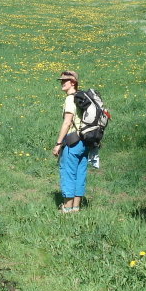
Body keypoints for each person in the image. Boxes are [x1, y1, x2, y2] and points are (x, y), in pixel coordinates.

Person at [52, 70, 91, 213]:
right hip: (85, 141)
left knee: (68, 173)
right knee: (80, 173)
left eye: (65, 81)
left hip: (72, 141)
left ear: (73, 82)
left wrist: (58, 144)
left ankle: (67, 208)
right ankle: (76, 207)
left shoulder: (70, 99)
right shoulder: (82, 97)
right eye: (61, 80)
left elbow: (67, 123)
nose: (62, 83)